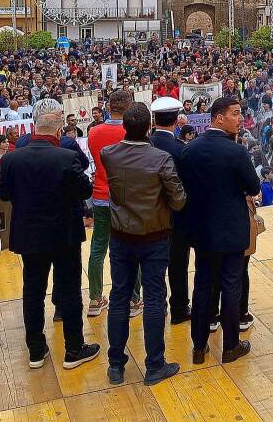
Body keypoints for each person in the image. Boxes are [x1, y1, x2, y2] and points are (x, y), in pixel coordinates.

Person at [0, 100, 100, 370]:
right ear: (57, 133)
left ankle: (35, 350)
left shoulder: (10, 158)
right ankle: (74, 349)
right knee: (69, 291)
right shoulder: (66, 158)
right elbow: (85, 191)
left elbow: (4, 194)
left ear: (33, 129)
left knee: (32, 291)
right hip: (63, 235)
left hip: (29, 236)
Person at [101, 101, 186, 386]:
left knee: (119, 297)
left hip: (121, 236)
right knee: (153, 298)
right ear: (149, 126)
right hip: (155, 237)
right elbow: (178, 199)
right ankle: (154, 365)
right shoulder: (161, 159)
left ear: (124, 126)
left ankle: (115, 365)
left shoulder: (108, 154)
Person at [178, 96, 260, 366]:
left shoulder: (189, 150)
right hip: (231, 229)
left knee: (202, 286)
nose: (240, 118)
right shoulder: (236, 151)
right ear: (218, 117)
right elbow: (253, 186)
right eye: (235, 114)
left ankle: (199, 348)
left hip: (202, 229)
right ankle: (230, 346)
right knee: (231, 286)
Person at [84, 90, 136, 319]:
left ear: (108, 107)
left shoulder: (94, 132)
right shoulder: (132, 131)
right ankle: (134, 299)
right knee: (133, 247)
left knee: (98, 247)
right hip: (127, 197)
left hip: (100, 195)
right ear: (128, 107)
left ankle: (95, 299)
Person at [149, 96, 192, 325]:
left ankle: (157, 308)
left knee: (153, 267)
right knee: (178, 265)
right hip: (177, 217)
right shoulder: (180, 149)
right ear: (176, 121)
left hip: (148, 216)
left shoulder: (145, 145)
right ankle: (179, 308)